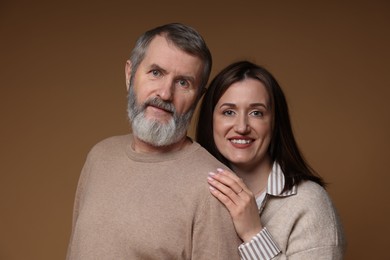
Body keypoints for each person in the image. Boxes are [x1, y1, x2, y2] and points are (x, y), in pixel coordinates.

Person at [66, 23, 241, 259]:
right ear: (130, 75)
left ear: (199, 96)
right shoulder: (99, 156)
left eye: (183, 83)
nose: (165, 93)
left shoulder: (214, 185)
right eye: (156, 73)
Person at [196, 61, 346, 259]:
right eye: (228, 112)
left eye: (256, 113)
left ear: (275, 123)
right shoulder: (194, 193)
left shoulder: (310, 204)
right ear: (211, 120)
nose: (241, 127)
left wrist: (253, 234)